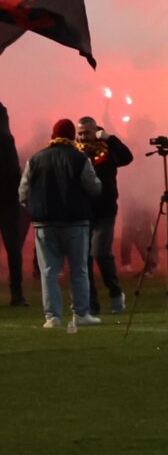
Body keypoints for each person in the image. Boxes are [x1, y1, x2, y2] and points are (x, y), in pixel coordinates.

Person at [20, 117, 101, 330]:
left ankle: (52, 317)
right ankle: (81, 314)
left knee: (48, 271)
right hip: (75, 223)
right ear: (72, 135)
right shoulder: (80, 158)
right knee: (79, 270)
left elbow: (23, 191)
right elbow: (94, 187)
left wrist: (34, 209)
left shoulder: (35, 159)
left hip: (44, 224)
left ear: (53, 135)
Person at [74, 118, 132, 314]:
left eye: (86, 132)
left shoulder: (107, 149)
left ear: (96, 131)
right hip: (83, 211)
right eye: (80, 133)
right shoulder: (75, 152)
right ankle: (92, 303)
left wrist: (111, 138)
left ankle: (116, 293)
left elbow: (127, 157)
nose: (83, 137)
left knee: (100, 253)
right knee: (84, 259)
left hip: (105, 211)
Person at [0, 101, 25, 308]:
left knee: (13, 248)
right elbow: (15, 173)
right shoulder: (7, 140)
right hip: (8, 200)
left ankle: (17, 293)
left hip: (7, 199)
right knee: (13, 248)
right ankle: (17, 293)